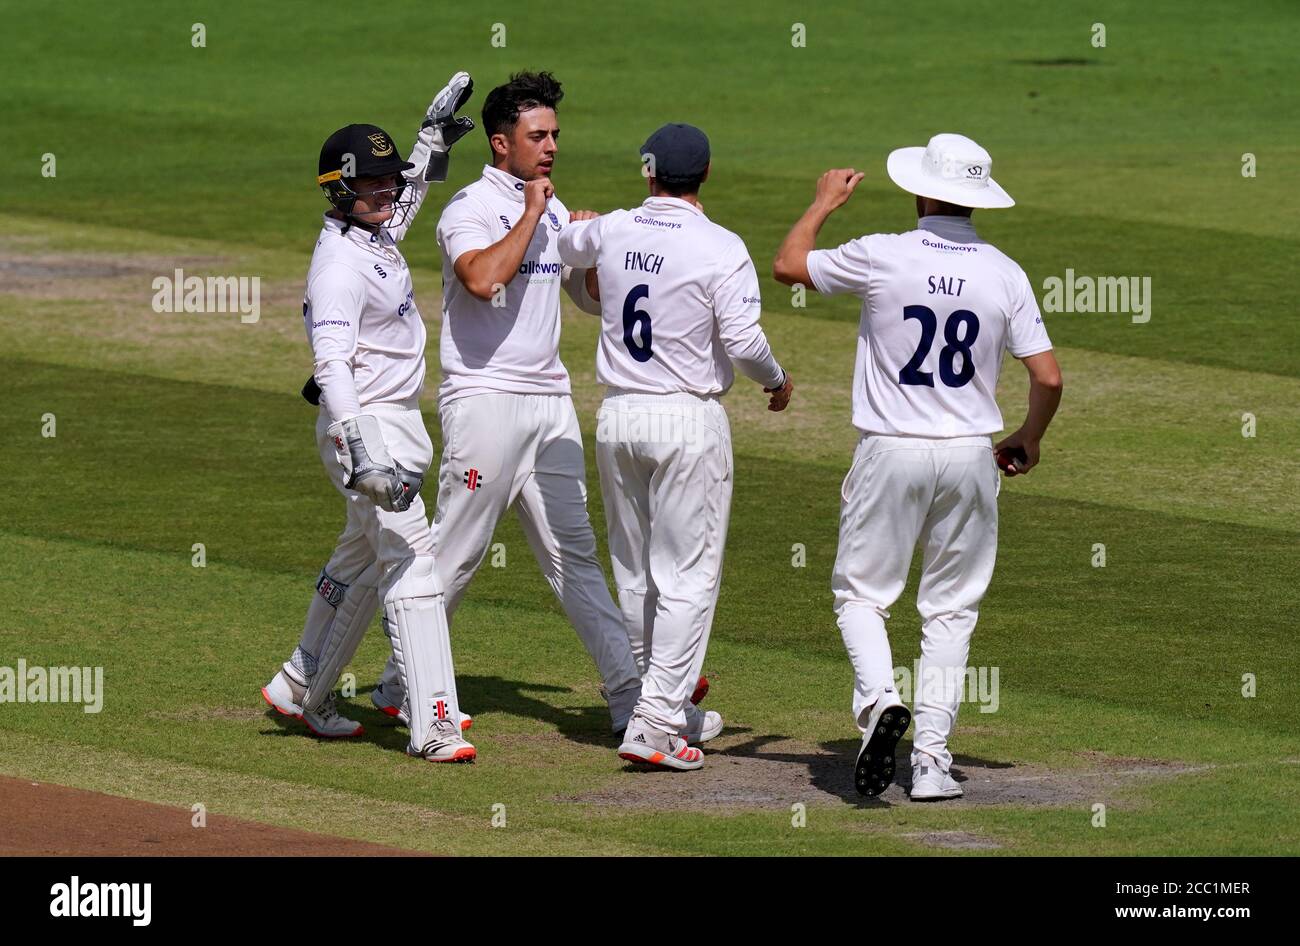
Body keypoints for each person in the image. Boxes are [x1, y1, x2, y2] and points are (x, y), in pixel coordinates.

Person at [773, 133, 1062, 799]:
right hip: (970, 455)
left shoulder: (882, 254)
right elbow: (1048, 377)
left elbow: (787, 266)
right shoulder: (1004, 272)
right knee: (951, 612)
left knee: (861, 596)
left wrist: (822, 204)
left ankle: (879, 704)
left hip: (891, 449)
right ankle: (931, 762)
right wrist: (1029, 437)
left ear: (923, 191)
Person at [368, 70, 646, 740]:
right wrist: (531, 215)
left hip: (550, 404)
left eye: (554, 134)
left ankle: (630, 700)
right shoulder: (469, 208)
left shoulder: (550, 207)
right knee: (456, 557)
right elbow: (483, 279)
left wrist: (588, 256)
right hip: (485, 404)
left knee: (573, 558)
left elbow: (593, 301)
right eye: (536, 135)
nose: (550, 146)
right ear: (500, 142)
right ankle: (402, 686)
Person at [559, 123, 793, 770]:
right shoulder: (721, 246)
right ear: (707, 176)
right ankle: (657, 724)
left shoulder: (612, 228)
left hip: (617, 417)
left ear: (648, 172)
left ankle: (656, 704)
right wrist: (776, 381)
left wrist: (583, 242)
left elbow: (565, 244)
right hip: (687, 419)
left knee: (636, 576)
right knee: (687, 579)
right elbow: (744, 344)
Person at [260, 73, 479, 763]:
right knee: (414, 561)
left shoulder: (371, 236)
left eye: (388, 181)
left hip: (394, 423)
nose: (388, 192)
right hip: (368, 430)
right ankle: (433, 721)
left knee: (358, 561)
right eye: (373, 184)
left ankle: (300, 684)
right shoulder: (338, 268)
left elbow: (409, 199)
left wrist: (432, 140)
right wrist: (365, 456)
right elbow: (330, 368)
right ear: (339, 190)